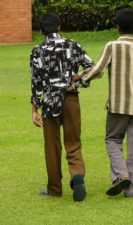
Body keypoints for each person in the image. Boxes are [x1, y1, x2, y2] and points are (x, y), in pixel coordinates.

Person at [80, 8, 133, 197]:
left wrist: (83, 80)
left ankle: (121, 175)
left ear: (117, 26)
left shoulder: (112, 46)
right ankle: (132, 189)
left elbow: (98, 70)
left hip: (117, 105)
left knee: (113, 139)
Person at [30, 14, 93, 201]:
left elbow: (36, 83)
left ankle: (55, 189)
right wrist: (77, 82)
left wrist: (35, 109)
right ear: (59, 27)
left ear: (42, 30)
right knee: (73, 143)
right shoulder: (73, 44)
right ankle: (77, 174)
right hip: (70, 98)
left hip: (49, 102)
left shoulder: (37, 50)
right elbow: (91, 67)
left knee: (52, 146)